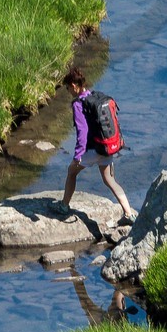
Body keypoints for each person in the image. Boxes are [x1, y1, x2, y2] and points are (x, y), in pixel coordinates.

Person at [61, 69, 137, 222]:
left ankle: (63, 206)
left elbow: (82, 131)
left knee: (71, 172)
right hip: (106, 147)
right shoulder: (96, 97)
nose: (68, 92)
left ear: (74, 86)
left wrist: (78, 155)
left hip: (92, 150)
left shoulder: (78, 104)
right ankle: (129, 213)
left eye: (68, 88)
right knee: (109, 180)